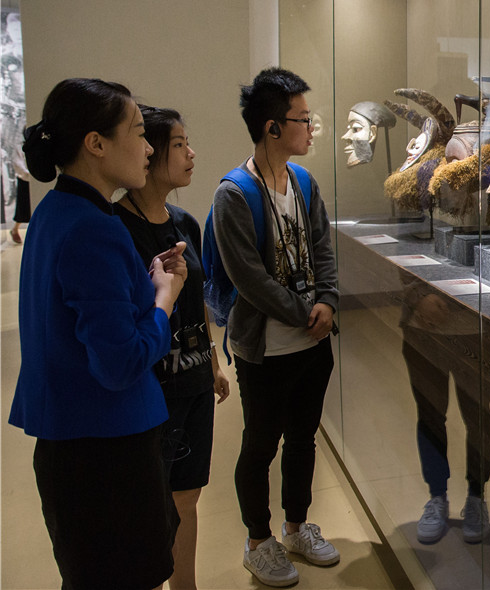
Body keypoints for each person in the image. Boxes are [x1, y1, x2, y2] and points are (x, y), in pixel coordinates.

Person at [8, 77, 187, 590]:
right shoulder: (95, 227)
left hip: (72, 445)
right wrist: (163, 301)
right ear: (96, 144)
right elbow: (121, 361)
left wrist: (141, 281)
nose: (149, 147)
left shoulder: (55, 213)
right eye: (137, 132)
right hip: (107, 454)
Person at [210, 67, 339, 587]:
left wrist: (327, 300)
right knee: (261, 443)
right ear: (271, 127)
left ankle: (295, 526)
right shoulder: (234, 195)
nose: (310, 128)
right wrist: (303, 312)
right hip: (265, 347)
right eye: (302, 119)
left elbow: (324, 248)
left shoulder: (303, 182)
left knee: (304, 438)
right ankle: (258, 540)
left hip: (312, 341)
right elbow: (249, 279)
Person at [114, 105, 230, 590]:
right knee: (149, 506)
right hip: (152, 390)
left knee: (187, 497)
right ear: (152, 152)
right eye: (178, 145)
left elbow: (198, 295)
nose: (190, 154)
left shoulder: (186, 222)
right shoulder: (118, 227)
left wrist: (214, 360)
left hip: (196, 380)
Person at [399, 269, 490, 544]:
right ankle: (437, 496)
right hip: (423, 325)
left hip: (475, 324)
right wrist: (418, 295)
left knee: (478, 415)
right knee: (430, 415)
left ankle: (477, 496)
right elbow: (404, 237)